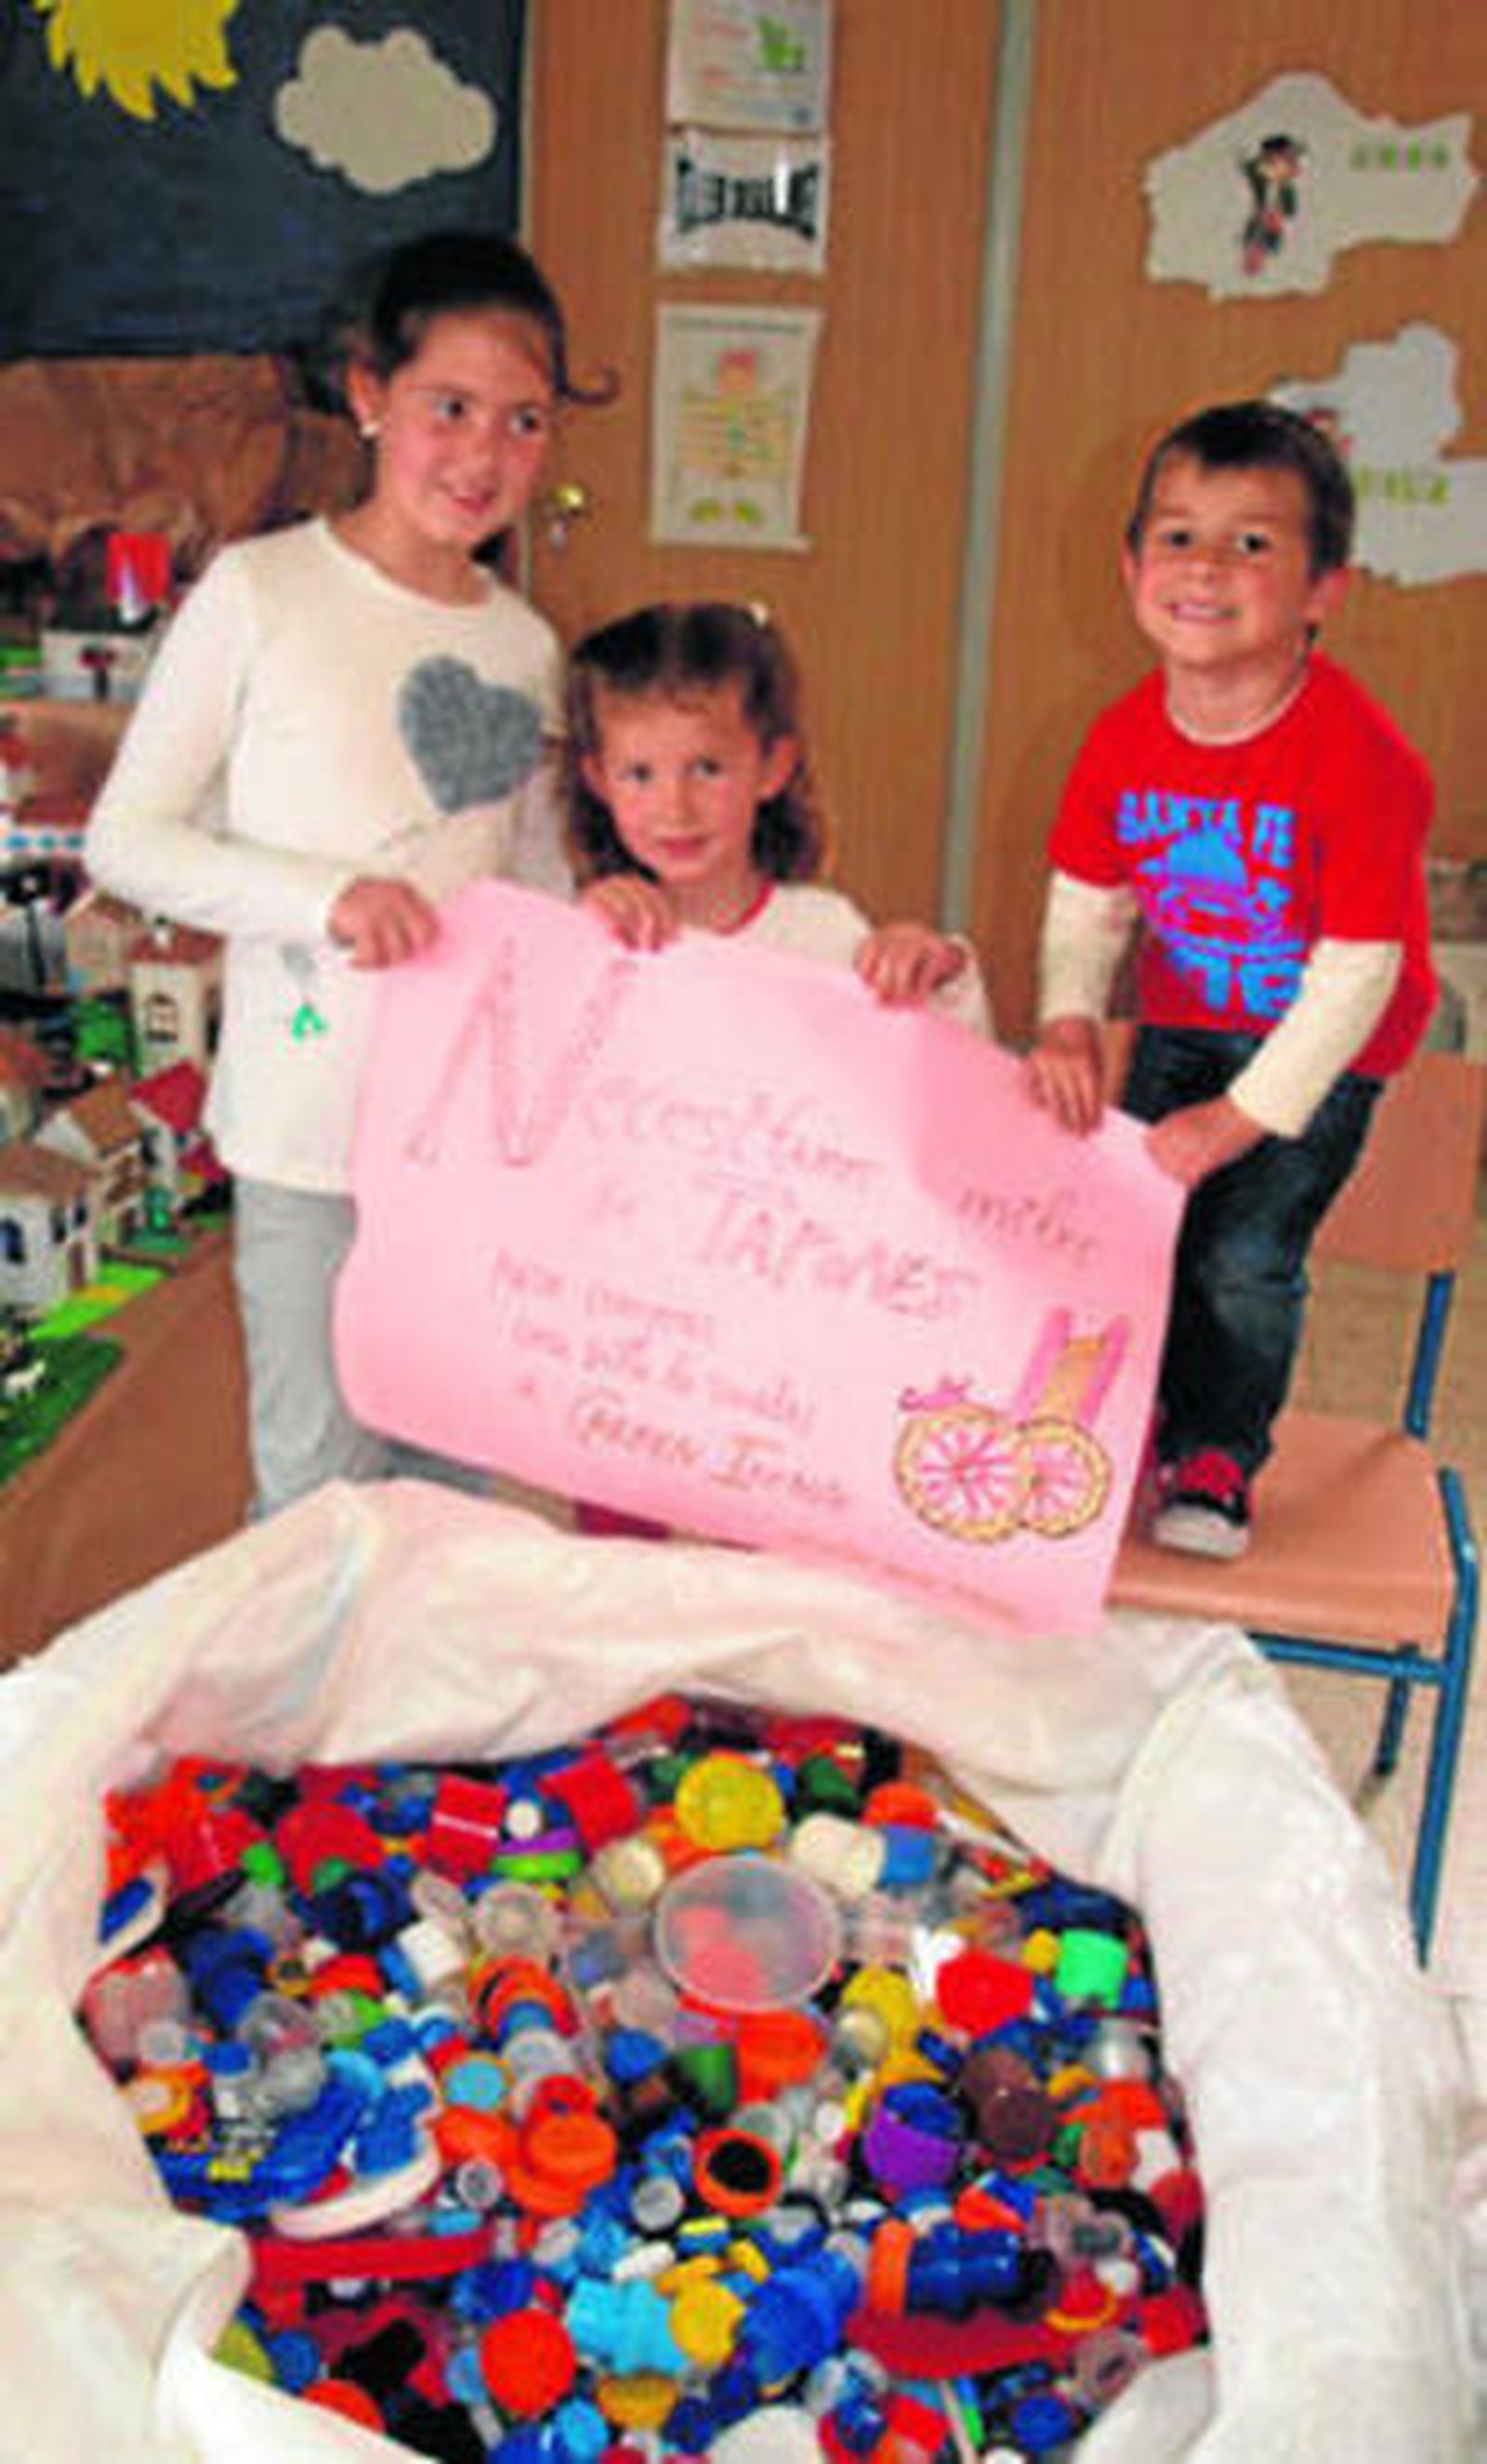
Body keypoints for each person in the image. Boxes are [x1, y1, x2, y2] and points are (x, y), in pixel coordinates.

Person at [87, 227, 606, 1518]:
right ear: (369, 394)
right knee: (321, 1490)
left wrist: (614, 925)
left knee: (446, 1489)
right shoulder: (261, 593)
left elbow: (534, 887)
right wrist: (326, 899)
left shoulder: (528, 645)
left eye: (524, 420)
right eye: (451, 408)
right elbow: (128, 839)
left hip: (467, 1143)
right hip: (309, 1131)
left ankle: (421, 1723)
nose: (485, 456)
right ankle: (308, 1724)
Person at [1026, 400, 1434, 1560]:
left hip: (1323, 1047)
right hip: (1183, 1018)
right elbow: (1088, 899)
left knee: (1241, 1254)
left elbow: (1358, 975)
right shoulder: (1117, 737)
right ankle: (1121, 1419)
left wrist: (1243, 1117)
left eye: (1251, 542)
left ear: (1323, 592)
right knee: (1130, 1229)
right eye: (1177, 536)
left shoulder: (1362, 760)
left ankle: (1215, 1448)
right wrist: (1065, 1016)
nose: (1205, 566)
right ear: (1130, 565)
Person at [563, 598, 992, 1535]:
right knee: (620, 1559)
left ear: (775, 766)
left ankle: (758, 1678)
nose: (673, 806)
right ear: (597, 779)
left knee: (776, 1552)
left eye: (707, 767)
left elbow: (958, 1090)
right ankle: (643, 1682)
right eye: (640, 772)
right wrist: (577, 948)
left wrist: (938, 970)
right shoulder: (580, 936)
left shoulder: (824, 934)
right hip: (625, 1325)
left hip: (783, 1330)